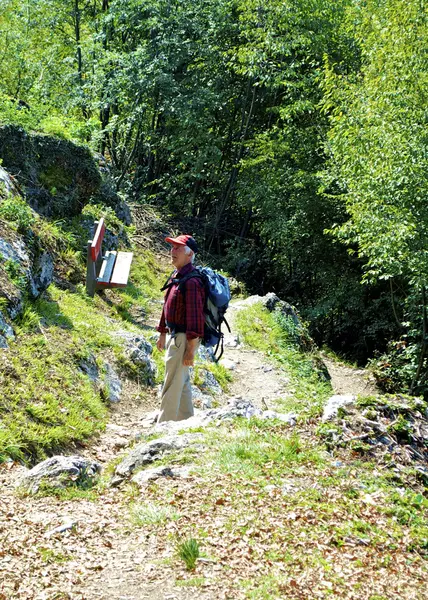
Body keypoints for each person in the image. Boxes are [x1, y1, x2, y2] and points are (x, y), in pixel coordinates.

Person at [156, 235, 205, 422]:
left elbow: (195, 320)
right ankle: (186, 422)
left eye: (178, 248)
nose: (172, 251)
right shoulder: (177, 276)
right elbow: (167, 305)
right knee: (181, 382)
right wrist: (162, 332)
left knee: (171, 384)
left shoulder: (192, 282)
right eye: (172, 247)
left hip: (183, 339)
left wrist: (190, 351)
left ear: (190, 253)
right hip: (175, 336)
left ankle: (163, 426)